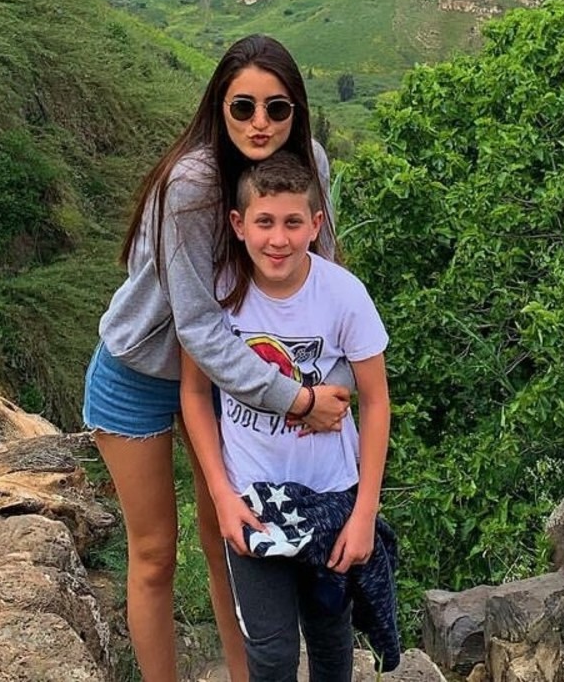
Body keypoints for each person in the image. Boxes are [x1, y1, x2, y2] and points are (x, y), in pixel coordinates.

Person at [83, 35, 352, 682]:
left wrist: (331, 381)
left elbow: (322, 282)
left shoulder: (309, 165)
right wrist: (296, 399)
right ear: (218, 107)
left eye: (277, 108)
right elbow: (198, 328)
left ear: (296, 111)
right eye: (243, 107)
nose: (260, 123)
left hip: (233, 380)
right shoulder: (192, 184)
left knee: (230, 542)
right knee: (155, 554)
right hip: (141, 373)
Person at [180, 151, 396, 682]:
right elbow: (195, 394)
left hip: (332, 494)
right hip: (252, 498)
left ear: (316, 224)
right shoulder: (219, 294)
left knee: (330, 639)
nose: (278, 239)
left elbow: (376, 400)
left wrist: (365, 512)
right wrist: (222, 496)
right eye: (265, 222)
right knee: (272, 653)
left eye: (293, 223)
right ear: (239, 225)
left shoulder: (343, 294)